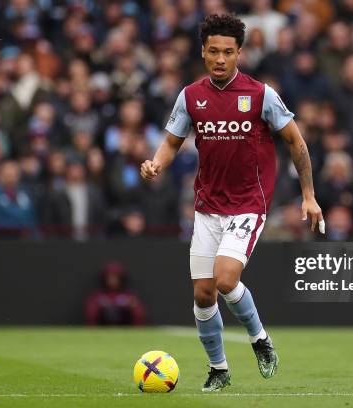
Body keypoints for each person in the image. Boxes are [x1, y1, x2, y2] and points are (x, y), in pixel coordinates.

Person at [140, 14, 323, 392]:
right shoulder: (190, 96)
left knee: (225, 280)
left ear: (240, 52)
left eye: (227, 52)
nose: (220, 58)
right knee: (203, 293)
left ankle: (259, 339)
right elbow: (172, 141)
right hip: (207, 207)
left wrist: (308, 195)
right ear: (203, 52)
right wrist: (156, 163)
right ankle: (219, 369)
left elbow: (296, 142)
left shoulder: (261, 95)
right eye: (213, 51)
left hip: (247, 204)